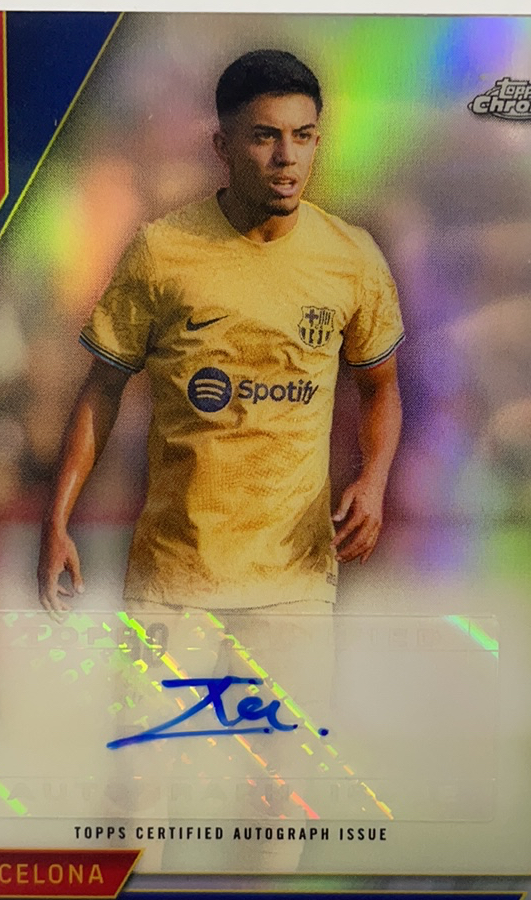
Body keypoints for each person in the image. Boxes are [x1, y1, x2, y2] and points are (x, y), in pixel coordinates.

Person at [38, 47, 404, 622]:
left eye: (303, 136)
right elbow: (101, 389)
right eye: (265, 137)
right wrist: (57, 521)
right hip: (172, 580)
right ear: (222, 146)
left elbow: (380, 386)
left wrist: (373, 480)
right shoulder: (161, 251)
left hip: (295, 585)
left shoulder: (352, 257)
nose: (287, 157)